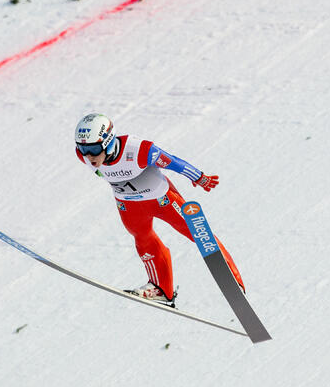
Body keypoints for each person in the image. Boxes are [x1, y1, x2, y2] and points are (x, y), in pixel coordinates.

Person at [74, 113, 244, 307]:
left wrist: (199, 177)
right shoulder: (84, 156)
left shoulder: (139, 150)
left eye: (94, 148)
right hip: (128, 205)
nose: (88, 156)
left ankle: (231, 277)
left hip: (162, 199)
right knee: (143, 238)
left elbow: (173, 162)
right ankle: (161, 289)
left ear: (109, 141)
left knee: (196, 231)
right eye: (82, 148)